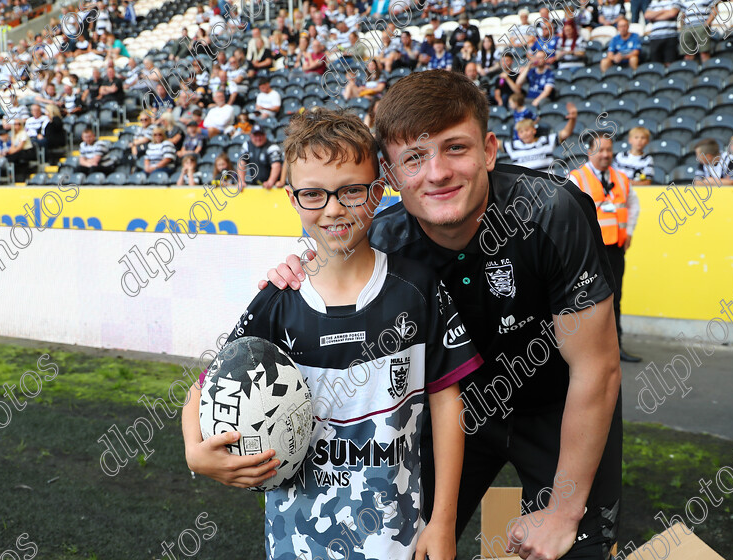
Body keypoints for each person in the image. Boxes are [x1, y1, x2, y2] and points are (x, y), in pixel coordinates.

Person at [263, 70, 623, 560]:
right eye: (414, 157)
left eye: (455, 147)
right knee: (414, 544)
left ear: (489, 150)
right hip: (454, 417)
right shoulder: (385, 242)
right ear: (389, 176)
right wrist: (296, 269)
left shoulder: (551, 211)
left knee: (578, 550)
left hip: (556, 406)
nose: (437, 173)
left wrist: (562, 512)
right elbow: (323, 268)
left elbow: (596, 369)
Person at [182, 107, 478, 560]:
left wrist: (443, 520)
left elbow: (446, 401)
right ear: (293, 197)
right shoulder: (278, 299)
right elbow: (205, 387)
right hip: (295, 543)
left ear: (378, 191)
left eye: (351, 191)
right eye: (314, 194)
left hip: (399, 541)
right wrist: (194, 451)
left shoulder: (416, 291)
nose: (334, 209)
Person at [570, 136, 642, 363]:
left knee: (615, 298)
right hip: (587, 252)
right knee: (588, 301)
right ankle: (587, 351)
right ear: (589, 152)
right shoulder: (576, 177)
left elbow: (634, 205)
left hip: (614, 250)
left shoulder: (621, 178)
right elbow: (567, 212)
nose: (605, 154)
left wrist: (628, 232)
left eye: (609, 150)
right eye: (600, 150)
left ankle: (616, 348)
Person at [502, 103, 578, 171]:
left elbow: (565, 133)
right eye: (521, 132)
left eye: (527, 130)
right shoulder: (512, 146)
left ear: (534, 130)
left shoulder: (546, 141)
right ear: (518, 134)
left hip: (547, 184)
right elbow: (494, 142)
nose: (525, 133)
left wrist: (572, 119)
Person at [238, 124, 283, 190]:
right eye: (255, 136)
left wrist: (270, 182)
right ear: (251, 136)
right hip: (256, 185)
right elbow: (241, 163)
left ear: (265, 135)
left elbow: (276, 166)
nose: (258, 138)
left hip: (272, 188)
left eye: (260, 135)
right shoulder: (247, 145)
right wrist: (241, 181)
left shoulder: (272, 147)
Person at [644, 0, 681, 66]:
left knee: (670, 62)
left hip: (670, 36)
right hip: (655, 37)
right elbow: (647, 15)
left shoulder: (674, 1)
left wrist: (655, 17)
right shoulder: (654, 2)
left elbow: (672, 13)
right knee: (656, 64)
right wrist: (663, 11)